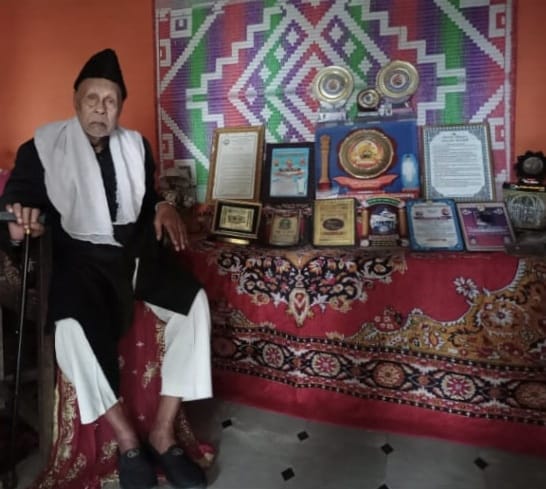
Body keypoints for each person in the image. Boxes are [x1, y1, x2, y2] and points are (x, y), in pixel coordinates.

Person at [0, 48, 211, 489]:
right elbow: (14, 204)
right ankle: (127, 439)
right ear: (76, 102)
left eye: (111, 101)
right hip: (78, 261)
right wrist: (20, 223)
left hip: (134, 256)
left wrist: (164, 206)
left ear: (120, 108)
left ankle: (163, 431)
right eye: (92, 99)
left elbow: (148, 198)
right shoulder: (42, 148)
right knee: (70, 328)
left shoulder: (136, 146)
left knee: (195, 304)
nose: (101, 108)